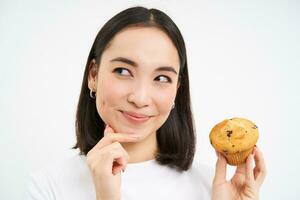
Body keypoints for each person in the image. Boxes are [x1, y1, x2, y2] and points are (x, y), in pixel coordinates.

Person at [25, 6, 266, 200]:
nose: (140, 98)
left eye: (162, 78)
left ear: (176, 89)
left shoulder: (214, 187)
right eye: (123, 70)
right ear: (93, 75)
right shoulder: (48, 188)